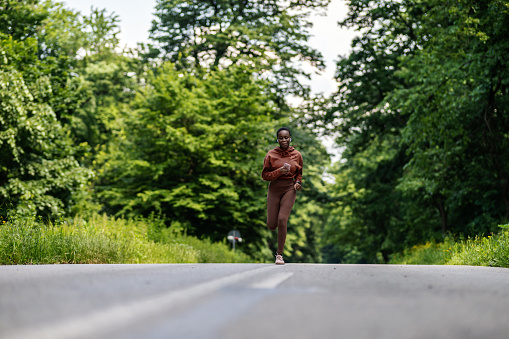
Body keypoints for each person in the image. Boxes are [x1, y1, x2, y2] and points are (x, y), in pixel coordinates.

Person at [262, 127, 303, 265]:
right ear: (277, 139)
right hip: (274, 189)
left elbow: (299, 173)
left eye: (286, 137)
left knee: (282, 219)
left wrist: (298, 182)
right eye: (281, 137)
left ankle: (279, 255)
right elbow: (265, 175)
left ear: (290, 138)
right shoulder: (271, 154)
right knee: (272, 225)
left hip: (289, 189)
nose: (284, 140)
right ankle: (277, 248)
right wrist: (279, 171)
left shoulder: (297, 155)